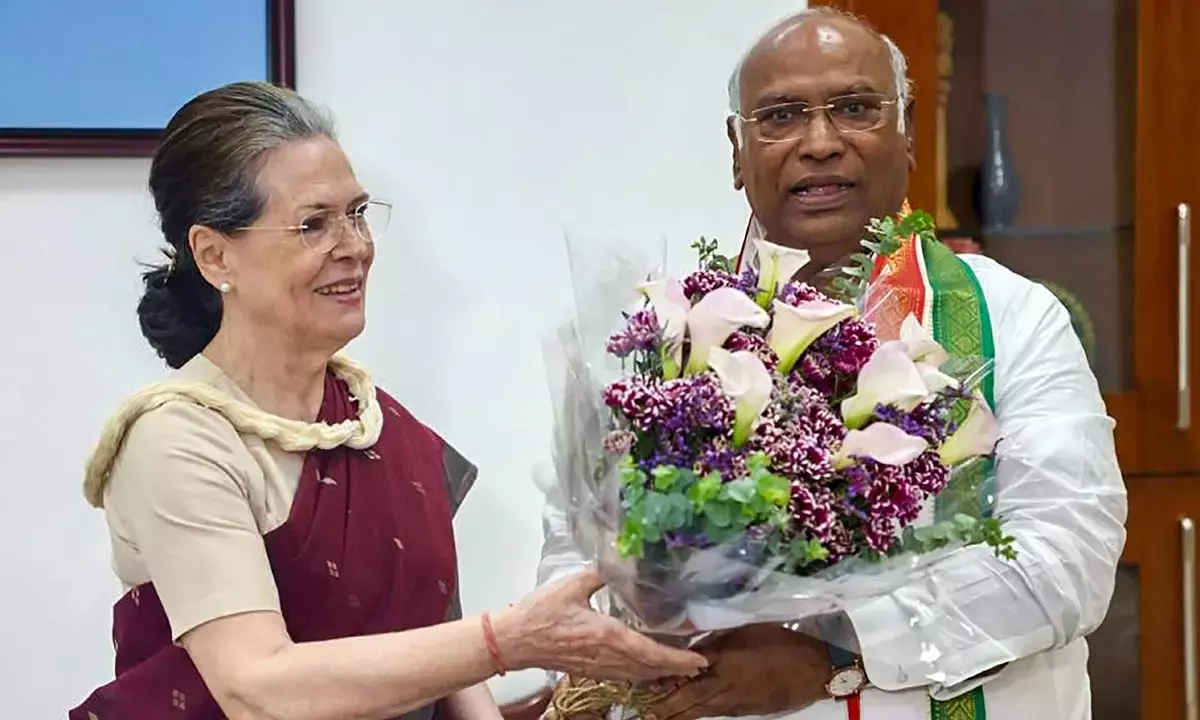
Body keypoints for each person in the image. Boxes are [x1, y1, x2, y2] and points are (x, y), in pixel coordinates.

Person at [537, 8, 1126, 720]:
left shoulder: (1012, 320)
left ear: (907, 136)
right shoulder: (660, 347)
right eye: (780, 116)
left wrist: (842, 658)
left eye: (855, 109)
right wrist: (653, 618)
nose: (820, 143)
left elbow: (1067, 561)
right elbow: (573, 567)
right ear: (736, 149)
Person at [69, 81, 707, 720]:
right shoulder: (178, 438)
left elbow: (441, 660)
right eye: (313, 224)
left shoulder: (380, 425)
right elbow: (257, 687)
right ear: (214, 255)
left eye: (358, 212)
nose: (354, 245)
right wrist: (506, 640)